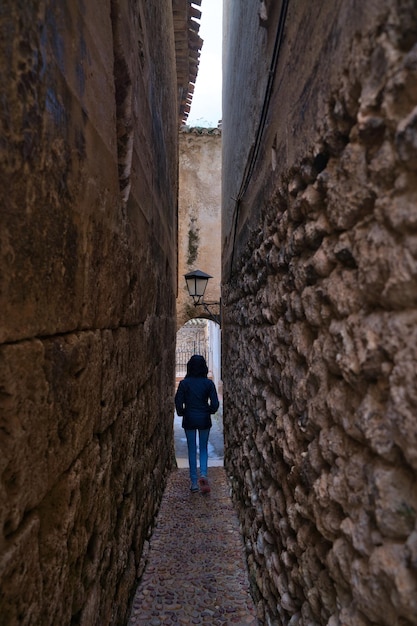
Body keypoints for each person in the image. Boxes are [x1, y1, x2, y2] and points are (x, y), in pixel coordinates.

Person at [175, 354, 219, 494]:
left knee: (192, 450)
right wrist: (209, 411)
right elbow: (215, 403)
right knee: (204, 448)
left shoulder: (184, 384)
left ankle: (194, 482)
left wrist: (182, 412)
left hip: (189, 418)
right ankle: (204, 475)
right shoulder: (208, 384)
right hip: (204, 418)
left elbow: (178, 401)